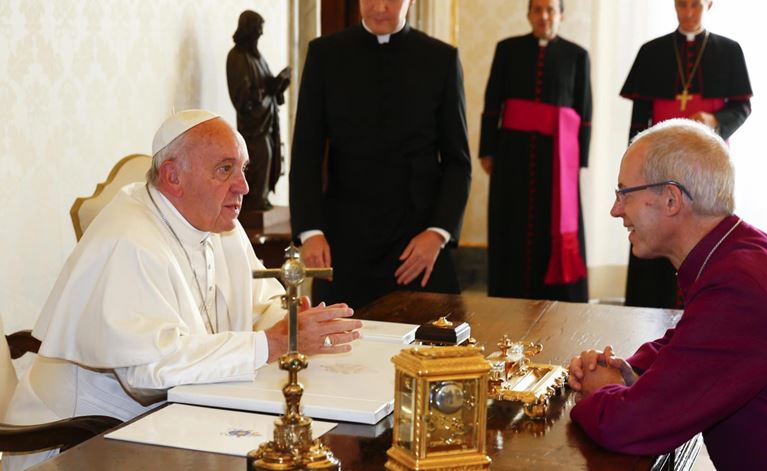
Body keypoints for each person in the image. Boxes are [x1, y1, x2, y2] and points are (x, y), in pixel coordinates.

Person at [1, 110, 361, 470]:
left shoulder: (223, 226)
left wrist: (292, 319)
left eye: (243, 169)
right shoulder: (129, 240)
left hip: (162, 427)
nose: (244, 187)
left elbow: (261, 304)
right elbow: (147, 372)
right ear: (173, 177)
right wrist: (272, 343)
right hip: (79, 444)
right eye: (225, 169)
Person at [567, 119, 767, 470]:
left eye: (624, 193)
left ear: (670, 199)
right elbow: (691, 342)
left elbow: (629, 426)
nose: (616, 210)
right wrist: (624, 369)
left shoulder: (741, 288)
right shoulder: (738, 250)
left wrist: (600, 391)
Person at [289, 0, 471, 309]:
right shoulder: (325, 55)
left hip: (417, 242)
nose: (381, 7)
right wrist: (310, 231)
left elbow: (457, 162)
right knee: (341, 349)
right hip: (345, 241)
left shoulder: (441, 59)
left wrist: (438, 234)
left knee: (434, 349)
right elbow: (306, 151)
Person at [620, 0, 752, 308]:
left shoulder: (729, 51)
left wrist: (716, 121)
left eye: (695, 4)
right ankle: (648, 305)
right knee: (652, 223)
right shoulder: (652, 52)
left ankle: (702, 305)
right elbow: (640, 116)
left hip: (703, 165)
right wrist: (632, 163)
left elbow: (742, 106)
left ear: (710, 4)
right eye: (681, 5)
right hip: (657, 163)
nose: (688, 12)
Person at [479, 0, 592, 301]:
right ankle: (508, 293)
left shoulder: (577, 56)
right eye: (537, 10)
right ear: (529, 14)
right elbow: (493, 105)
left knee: (550, 223)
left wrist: (579, 161)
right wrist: (487, 149)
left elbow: (585, 111)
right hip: (511, 154)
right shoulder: (507, 50)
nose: (544, 16)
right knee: (511, 223)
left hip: (556, 159)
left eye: (550, 10)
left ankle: (557, 298)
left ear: (561, 15)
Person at [226, 10, 291, 211]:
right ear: (249, 30)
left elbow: (266, 83)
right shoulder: (237, 57)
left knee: (271, 156)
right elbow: (243, 99)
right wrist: (266, 91)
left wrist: (278, 84)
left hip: (267, 120)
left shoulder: (258, 57)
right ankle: (255, 201)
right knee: (262, 155)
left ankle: (261, 198)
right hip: (253, 126)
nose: (261, 35)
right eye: (258, 30)